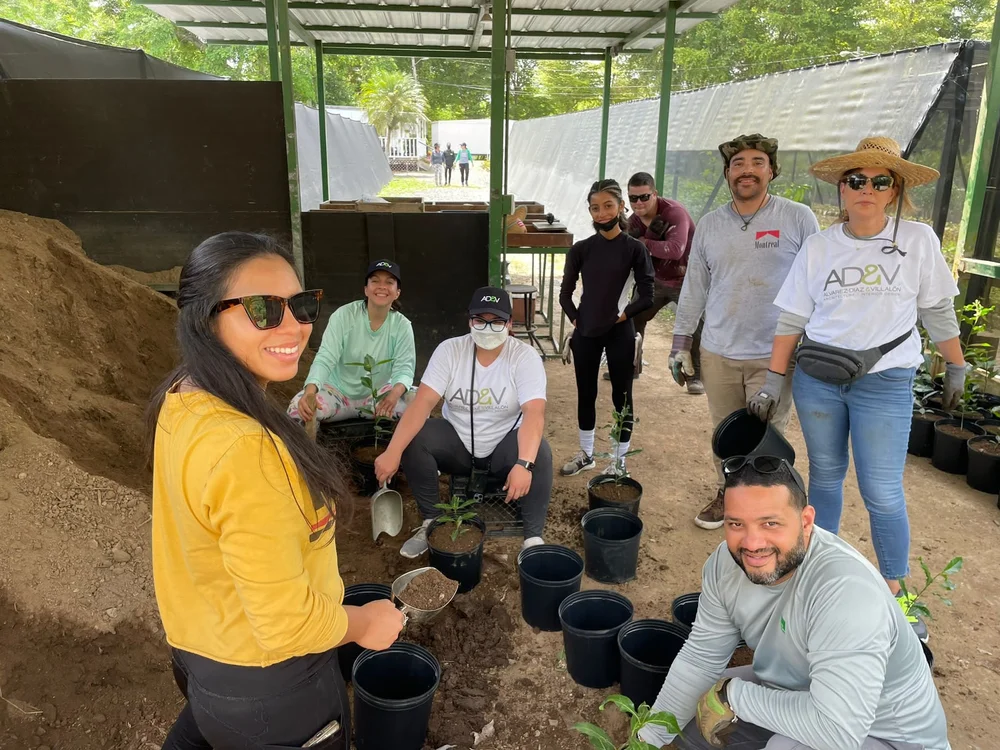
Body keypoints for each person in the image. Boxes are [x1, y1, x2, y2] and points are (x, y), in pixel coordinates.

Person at [149, 232, 405, 749]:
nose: (294, 326)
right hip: (272, 686)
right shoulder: (249, 450)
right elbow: (288, 625)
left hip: (205, 656)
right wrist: (363, 624)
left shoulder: (184, 396)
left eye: (301, 305)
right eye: (264, 309)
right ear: (204, 317)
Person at [748, 137, 965, 638]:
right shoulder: (821, 245)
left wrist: (955, 365)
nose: (867, 188)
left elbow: (936, 309)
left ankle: (897, 593)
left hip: (884, 382)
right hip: (820, 381)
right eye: (856, 180)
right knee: (824, 475)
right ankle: (820, 578)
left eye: (880, 180)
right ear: (842, 188)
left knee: (883, 491)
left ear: (895, 190)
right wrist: (774, 380)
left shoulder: (918, 241)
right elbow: (793, 317)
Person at [638, 455, 950, 750]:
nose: (752, 543)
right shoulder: (724, 566)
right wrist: (647, 738)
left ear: (806, 521)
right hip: (801, 690)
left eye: (770, 523)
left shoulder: (845, 591)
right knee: (696, 725)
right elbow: (700, 658)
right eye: (736, 524)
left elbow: (837, 731)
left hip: (885, 734)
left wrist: (736, 696)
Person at [671, 133, 820, 530]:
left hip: (775, 354)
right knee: (727, 433)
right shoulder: (710, 225)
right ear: (727, 174)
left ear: (772, 170)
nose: (747, 170)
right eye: (738, 164)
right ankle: (728, 493)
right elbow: (696, 287)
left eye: (757, 162)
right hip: (719, 351)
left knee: (767, 434)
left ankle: (764, 507)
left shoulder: (797, 218)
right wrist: (681, 343)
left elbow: (816, 284)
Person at [374, 286, 551, 557]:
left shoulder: (523, 357)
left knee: (540, 451)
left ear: (510, 324)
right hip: (457, 445)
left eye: (497, 322)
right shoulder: (450, 351)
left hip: (504, 446)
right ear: (470, 320)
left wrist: (524, 463)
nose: (488, 328)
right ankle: (431, 521)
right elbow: (422, 404)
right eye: (480, 320)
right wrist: (392, 451)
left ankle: (532, 539)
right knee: (414, 438)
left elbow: (534, 413)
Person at [559, 178, 655, 477]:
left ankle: (618, 460)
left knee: (621, 395)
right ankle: (586, 454)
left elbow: (647, 293)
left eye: (607, 206)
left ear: (621, 207)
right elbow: (565, 292)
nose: (601, 213)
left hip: (619, 332)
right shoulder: (582, 249)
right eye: (594, 208)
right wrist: (577, 318)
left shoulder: (634, 249)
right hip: (586, 331)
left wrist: (621, 318)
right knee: (585, 393)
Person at [288, 259, 415, 426]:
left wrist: (393, 395)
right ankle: (307, 452)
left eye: (389, 282)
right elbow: (326, 357)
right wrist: (310, 391)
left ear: (397, 292)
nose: (382, 286)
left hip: (377, 397)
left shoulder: (402, 325)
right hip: (337, 394)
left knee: (418, 403)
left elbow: (405, 368)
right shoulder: (344, 316)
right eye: (375, 281)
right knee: (298, 409)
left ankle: (400, 449)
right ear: (366, 289)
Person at [615, 170, 700, 389]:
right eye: (633, 198)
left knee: (695, 326)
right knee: (631, 318)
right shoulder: (632, 221)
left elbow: (674, 249)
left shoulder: (674, 213)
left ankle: (695, 377)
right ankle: (630, 367)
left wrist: (643, 242)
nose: (639, 202)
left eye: (645, 196)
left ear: (655, 194)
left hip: (686, 279)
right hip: (655, 279)